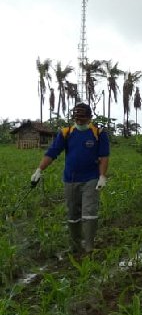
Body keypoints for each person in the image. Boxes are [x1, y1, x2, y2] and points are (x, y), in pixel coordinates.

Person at [30, 103, 110, 254]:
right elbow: (52, 152)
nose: (79, 120)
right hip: (70, 179)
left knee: (89, 212)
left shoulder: (99, 133)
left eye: (82, 117)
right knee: (73, 214)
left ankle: (89, 247)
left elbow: (104, 156)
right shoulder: (66, 133)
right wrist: (39, 170)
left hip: (91, 179)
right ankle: (75, 246)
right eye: (77, 117)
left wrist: (102, 176)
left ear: (89, 118)